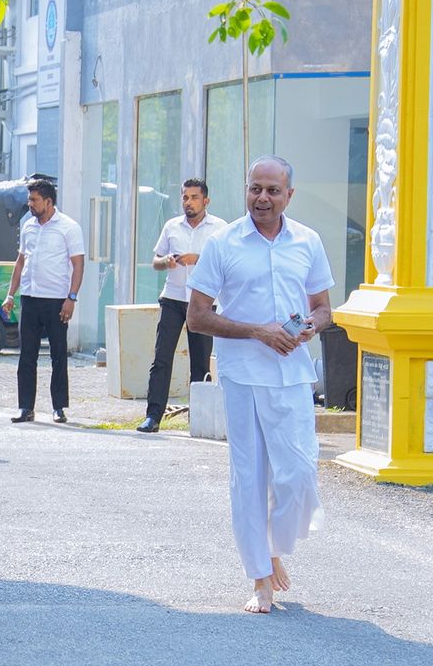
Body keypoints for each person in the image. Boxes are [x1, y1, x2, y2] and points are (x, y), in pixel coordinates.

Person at [186, 155, 333, 614]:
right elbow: (197, 316)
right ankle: (260, 578)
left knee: (299, 473)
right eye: (255, 188)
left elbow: (325, 307)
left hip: (292, 374)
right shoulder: (223, 243)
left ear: (289, 195)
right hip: (242, 376)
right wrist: (257, 331)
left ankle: (273, 546)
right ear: (245, 190)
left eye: (272, 190)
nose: (262, 198)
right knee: (248, 478)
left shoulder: (307, 241)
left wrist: (309, 326)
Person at [138, 178, 226, 433]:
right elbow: (154, 261)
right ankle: (153, 416)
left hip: (204, 302)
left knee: (200, 362)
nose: (188, 202)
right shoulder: (171, 226)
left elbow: (226, 263)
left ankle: (198, 419)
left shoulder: (219, 228)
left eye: (194, 197)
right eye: (185, 197)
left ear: (206, 200)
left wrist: (198, 258)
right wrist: (165, 260)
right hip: (173, 298)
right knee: (162, 357)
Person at [2, 179, 85, 424]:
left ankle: (59, 407)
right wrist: (10, 294)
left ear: (48, 202)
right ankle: (25, 407)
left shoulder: (69, 227)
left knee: (58, 355)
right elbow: (20, 261)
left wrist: (71, 298)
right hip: (30, 298)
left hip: (56, 300)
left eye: (34, 200)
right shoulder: (28, 226)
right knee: (27, 355)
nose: (30, 204)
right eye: (29, 200)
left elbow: (78, 264)